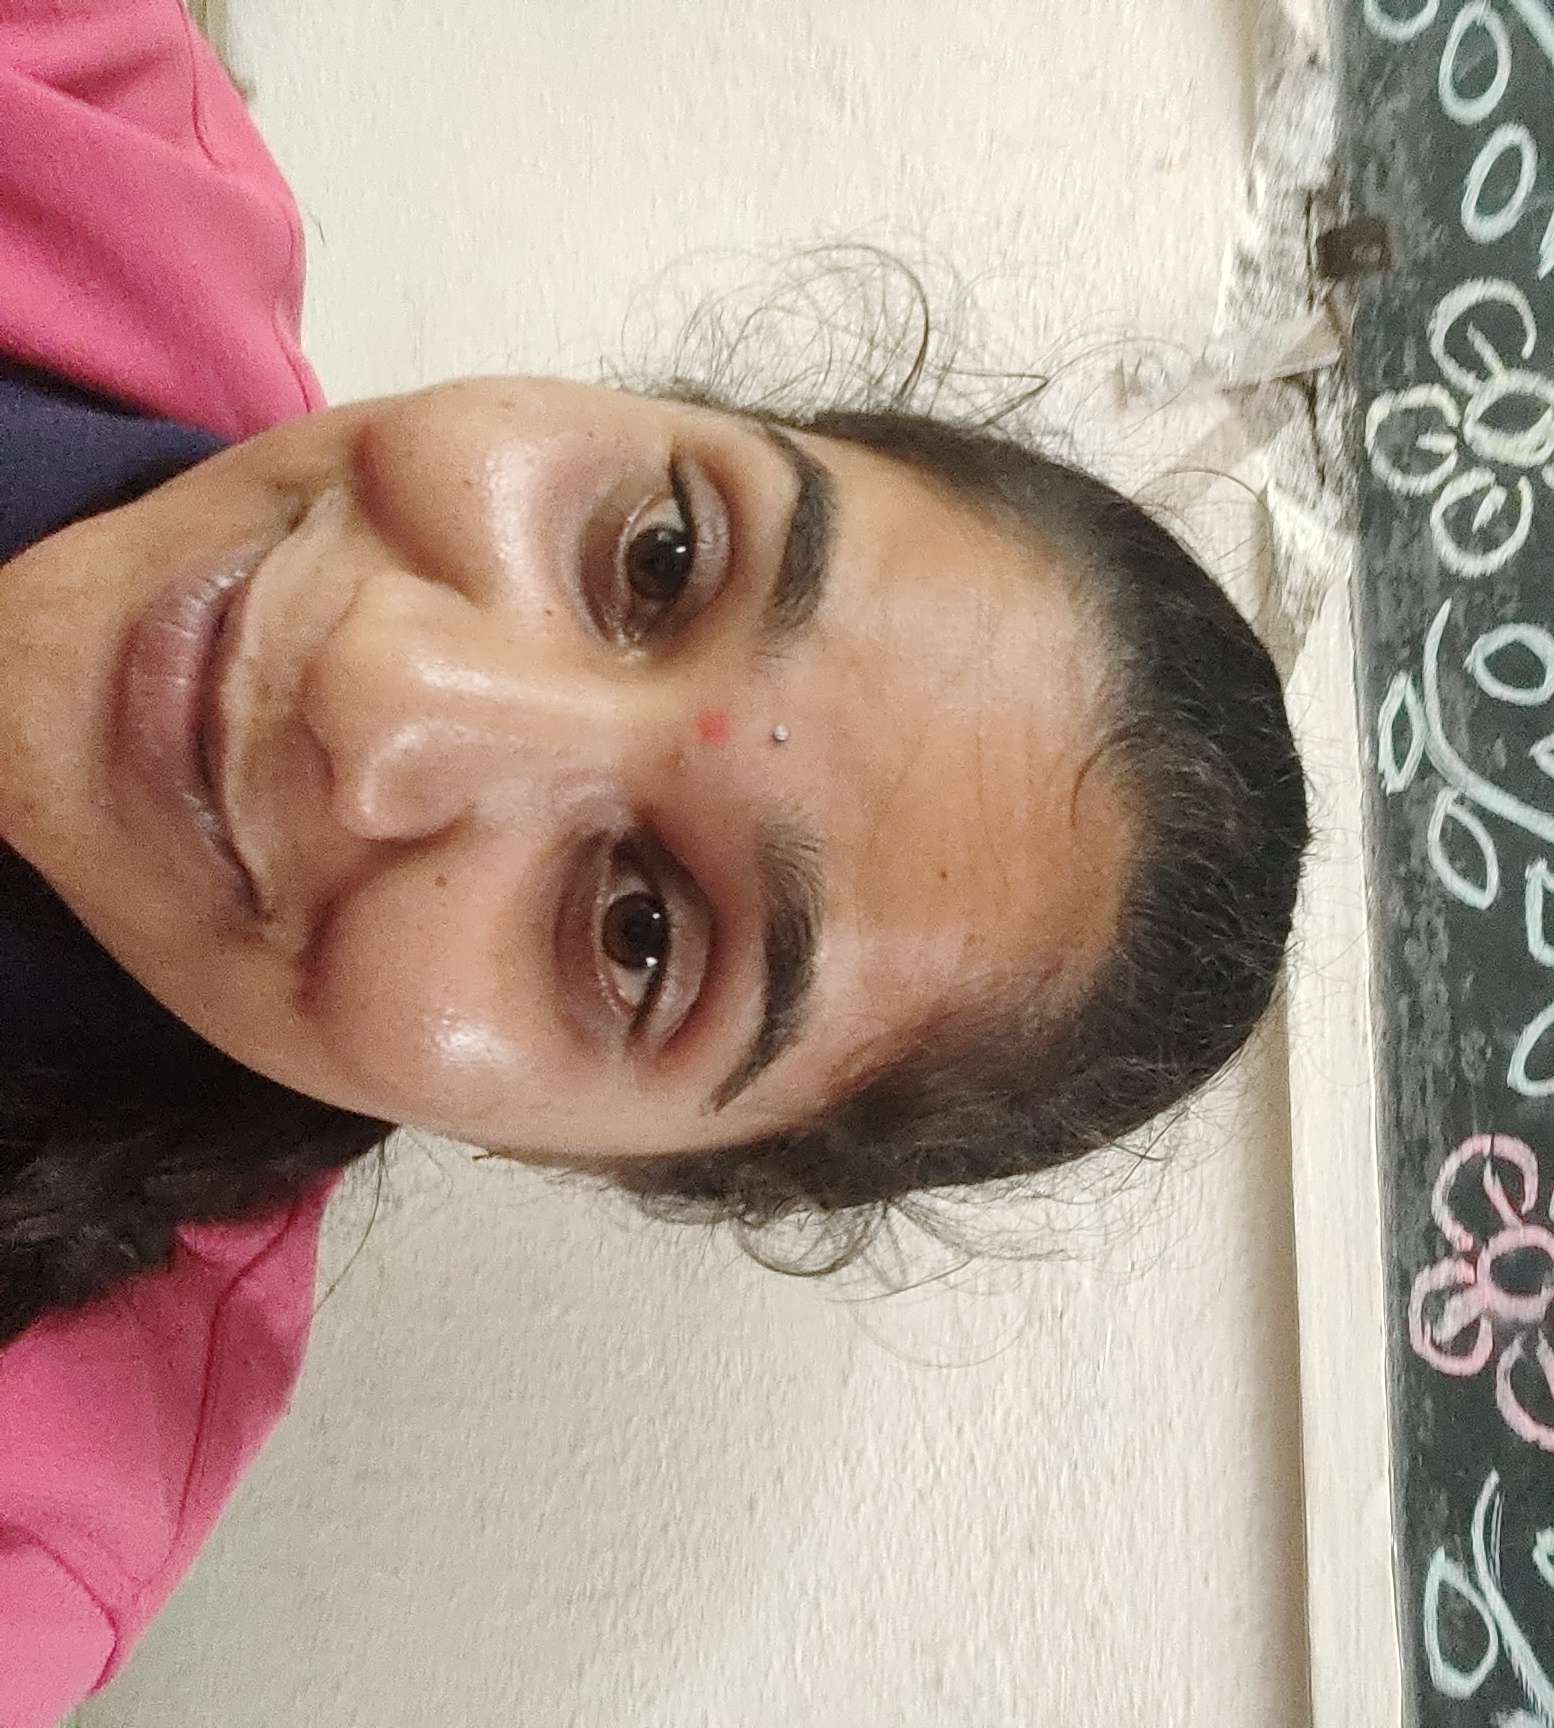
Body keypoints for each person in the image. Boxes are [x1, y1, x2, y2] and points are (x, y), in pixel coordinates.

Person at [0, 5, 1308, 1717]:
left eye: (638, 935)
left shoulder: (38, 1518)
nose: (381, 692)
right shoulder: (79, 84)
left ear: (608, 1161)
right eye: (663, 555)